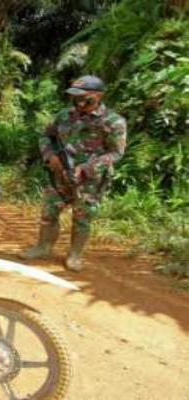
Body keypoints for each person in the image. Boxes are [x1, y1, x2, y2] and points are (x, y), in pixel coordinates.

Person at [20, 75, 127, 271]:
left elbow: (116, 152)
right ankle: (43, 247)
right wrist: (50, 156)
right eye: (74, 96)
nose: (78, 100)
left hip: (90, 181)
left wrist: (87, 168)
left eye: (83, 96)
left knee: (83, 216)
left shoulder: (113, 121)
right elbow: (46, 136)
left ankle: (75, 256)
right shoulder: (64, 115)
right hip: (60, 175)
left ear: (98, 95)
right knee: (49, 211)